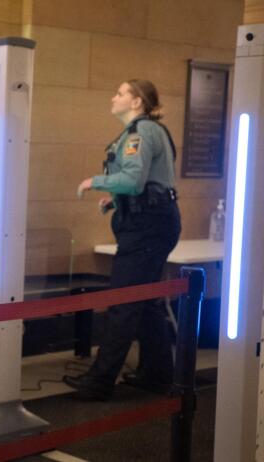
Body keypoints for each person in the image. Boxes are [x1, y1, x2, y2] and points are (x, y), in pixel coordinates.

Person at [65, 79, 181, 400]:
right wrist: (116, 201)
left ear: (137, 102)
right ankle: (157, 376)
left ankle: (100, 382)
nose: (113, 97)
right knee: (143, 302)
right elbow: (150, 184)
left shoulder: (139, 133)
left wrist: (96, 182)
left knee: (123, 303)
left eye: (120, 93)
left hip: (147, 228)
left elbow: (133, 178)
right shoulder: (147, 131)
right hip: (154, 222)